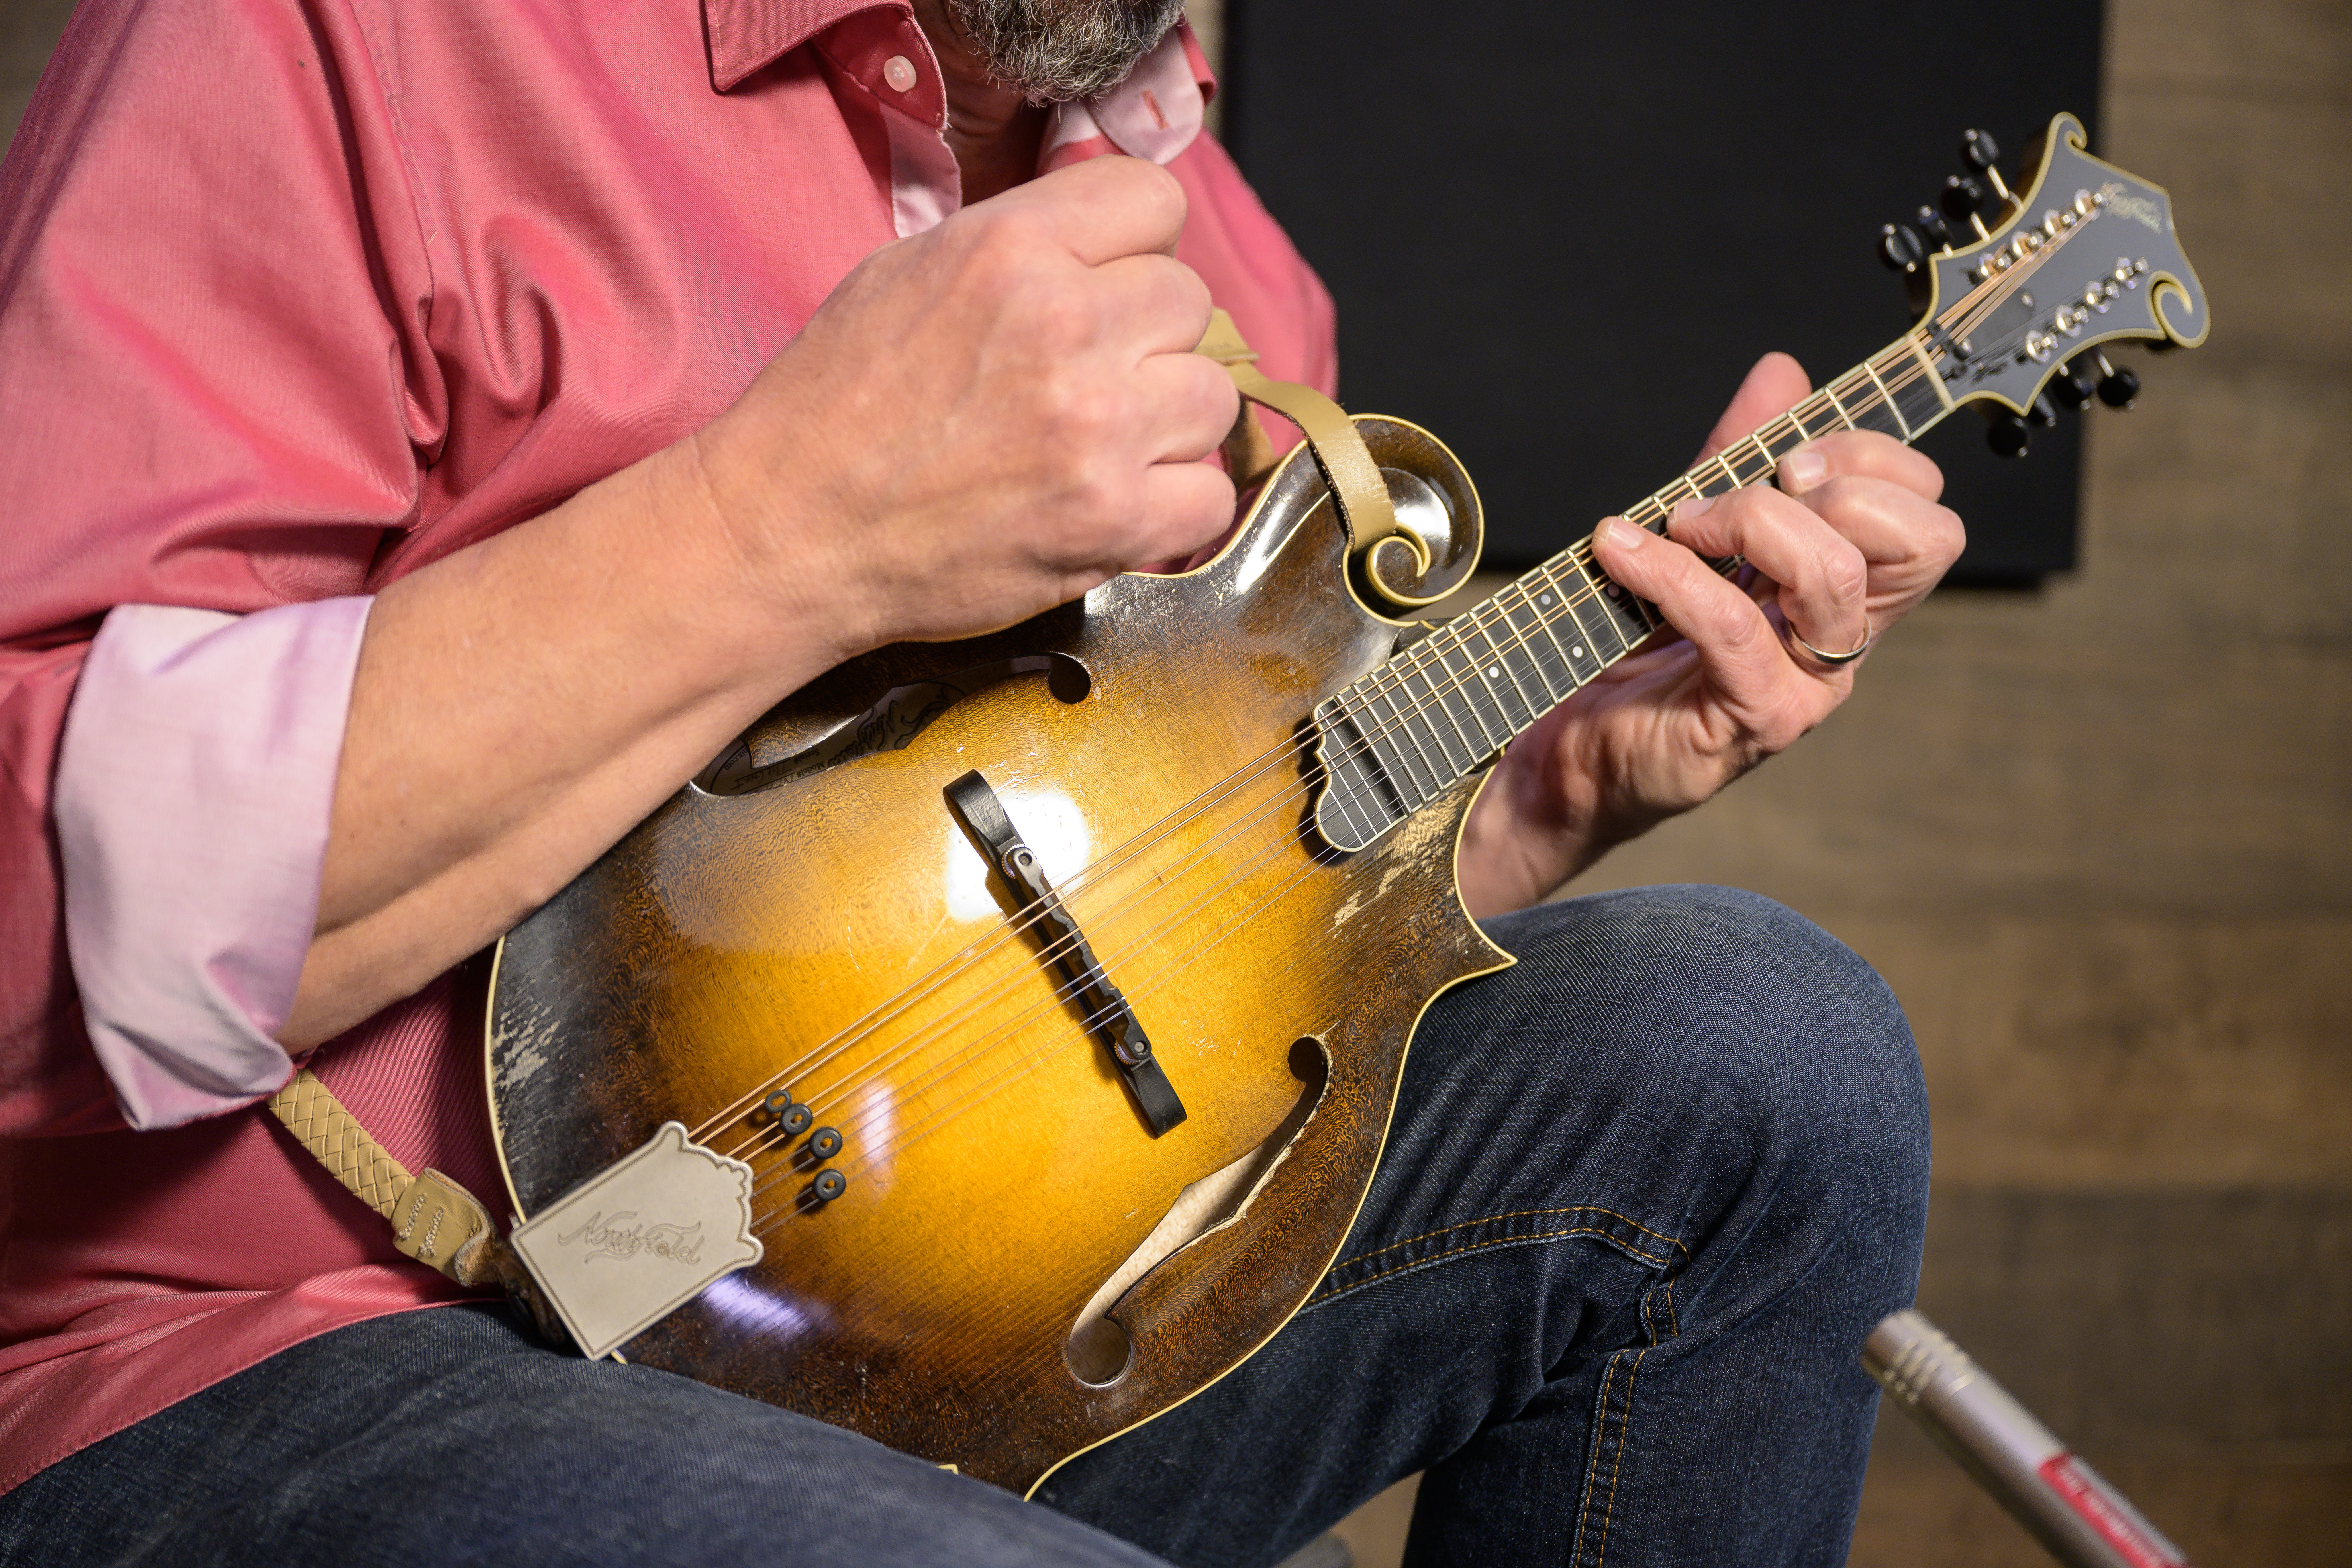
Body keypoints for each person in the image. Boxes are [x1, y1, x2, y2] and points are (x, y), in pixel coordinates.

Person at [0, 0, 1960, 1562]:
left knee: (1764, 1047)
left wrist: (1542, 803)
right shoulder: (368, 37)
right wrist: (786, 526)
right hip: (281, 1361)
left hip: (888, 1355)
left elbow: (1161, 978)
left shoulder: (1226, 287)